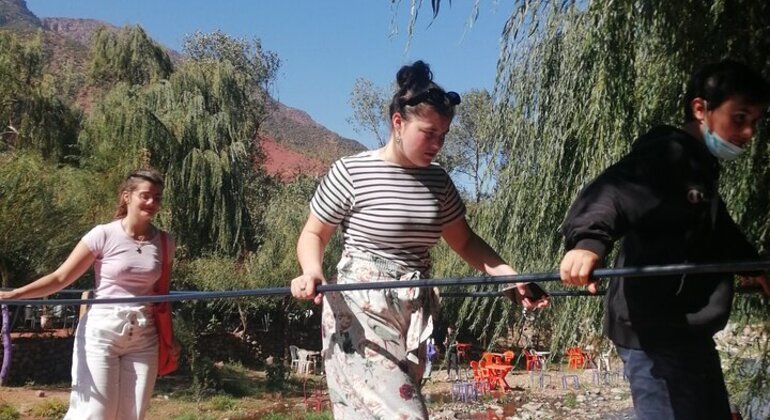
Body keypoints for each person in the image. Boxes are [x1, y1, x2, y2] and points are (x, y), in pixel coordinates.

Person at [290, 60, 549, 419]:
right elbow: (313, 233)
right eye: (429, 133)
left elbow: (465, 242)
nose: (437, 144)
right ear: (398, 122)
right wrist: (312, 271)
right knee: (406, 414)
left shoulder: (439, 182)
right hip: (360, 311)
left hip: (414, 311)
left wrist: (508, 274)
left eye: (443, 135)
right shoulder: (352, 171)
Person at [559, 59, 770, 420]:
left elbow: (719, 228)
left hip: (689, 330)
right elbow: (612, 192)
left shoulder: (700, 170)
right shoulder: (665, 156)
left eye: (754, 122)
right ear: (700, 109)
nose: (748, 133)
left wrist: (753, 264)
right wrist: (587, 243)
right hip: (651, 334)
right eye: (739, 118)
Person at [0, 169, 178, 420]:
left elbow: (163, 296)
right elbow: (60, 278)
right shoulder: (103, 234)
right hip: (102, 332)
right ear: (127, 196)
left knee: (133, 414)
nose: (152, 203)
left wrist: (170, 339)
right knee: (94, 412)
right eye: (146, 196)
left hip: (144, 335)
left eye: (157, 198)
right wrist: (16, 294)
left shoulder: (165, 242)